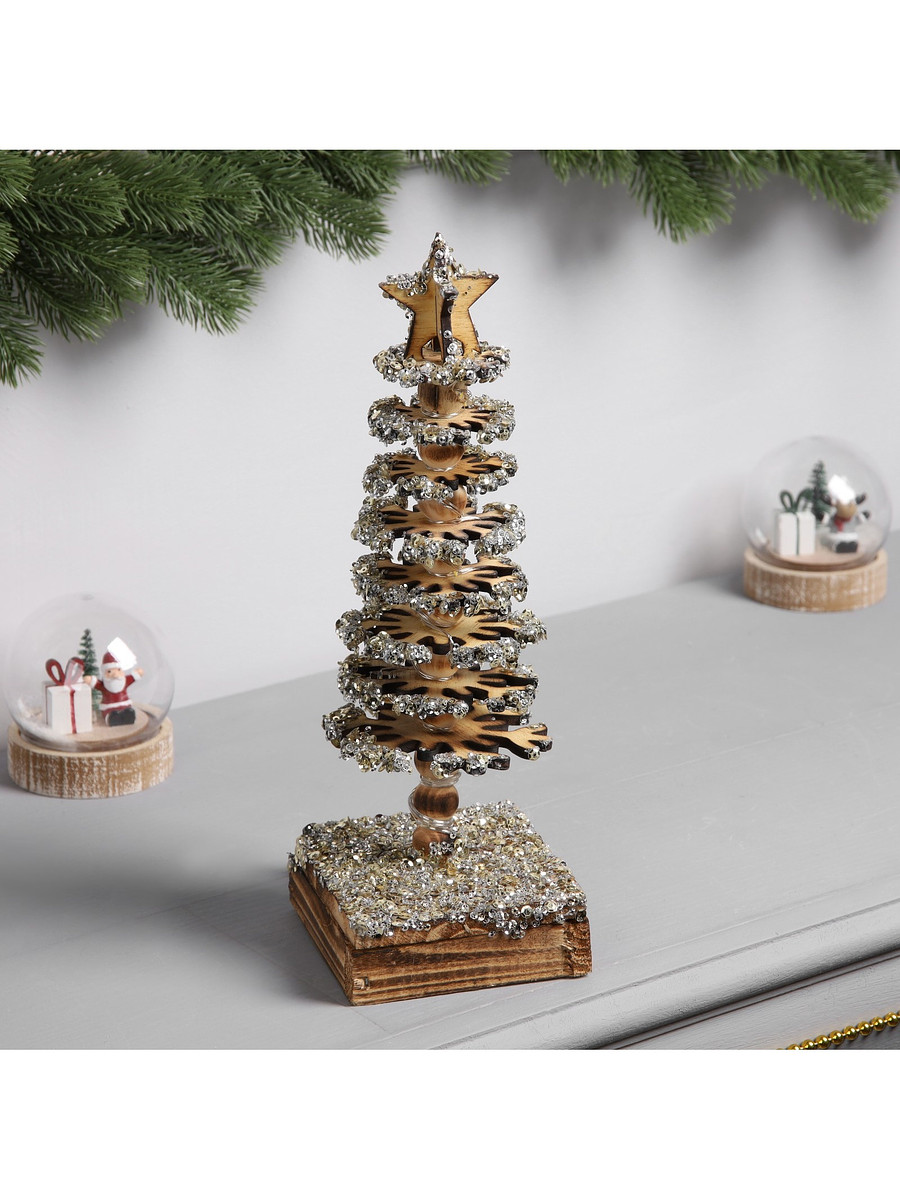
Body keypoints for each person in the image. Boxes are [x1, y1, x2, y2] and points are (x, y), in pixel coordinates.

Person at [85, 642, 144, 726]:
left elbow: (134, 676)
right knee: (110, 714)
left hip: (124, 704)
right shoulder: (104, 685)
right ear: (105, 672)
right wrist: (91, 680)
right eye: (109, 671)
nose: (115, 675)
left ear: (122, 670)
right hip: (109, 707)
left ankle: (128, 716)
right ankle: (112, 719)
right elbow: (96, 683)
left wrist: (138, 673)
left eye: (118, 670)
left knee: (127, 711)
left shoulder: (124, 681)